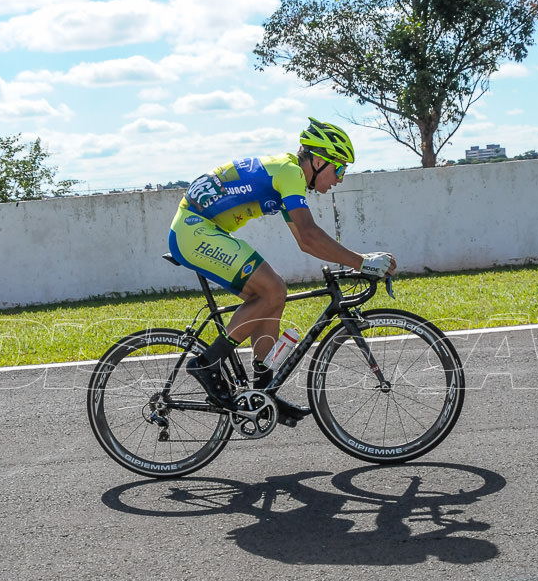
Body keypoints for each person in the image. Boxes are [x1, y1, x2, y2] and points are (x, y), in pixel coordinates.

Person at [168, 117, 397, 421]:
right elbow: (308, 236)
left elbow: (306, 237)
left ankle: (265, 391)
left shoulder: (289, 173)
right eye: (339, 168)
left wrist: (357, 260)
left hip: (202, 227)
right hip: (193, 230)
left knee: (273, 294)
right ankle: (207, 363)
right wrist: (363, 261)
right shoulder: (290, 173)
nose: (340, 179)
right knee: (271, 289)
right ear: (317, 160)